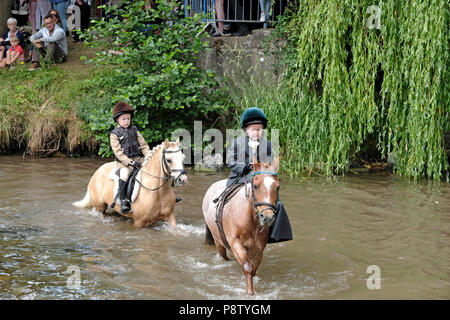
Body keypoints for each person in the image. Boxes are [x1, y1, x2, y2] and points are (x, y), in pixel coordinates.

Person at [226, 107, 293, 243]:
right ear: (246, 130)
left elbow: (270, 161)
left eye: (259, 129)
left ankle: (275, 233)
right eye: (253, 129)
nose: (257, 132)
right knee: (224, 199)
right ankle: (223, 222)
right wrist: (243, 168)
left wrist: (264, 168)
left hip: (260, 178)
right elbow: (229, 161)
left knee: (276, 201)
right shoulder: (237, 142)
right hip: (239, 177)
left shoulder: (267, 144)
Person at [110, 102, 151, 213]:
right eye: (124, 119)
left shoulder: (135, 130)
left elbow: (144, 146)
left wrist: (149, 157)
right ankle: (124, 201)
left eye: (128, 119)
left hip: (139, 159)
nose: (127, 121)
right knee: (124, 175)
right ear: (117, 120)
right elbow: (118, 153)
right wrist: (131, 163)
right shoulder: (114, 134)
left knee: (155, 170)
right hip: (124, 163)